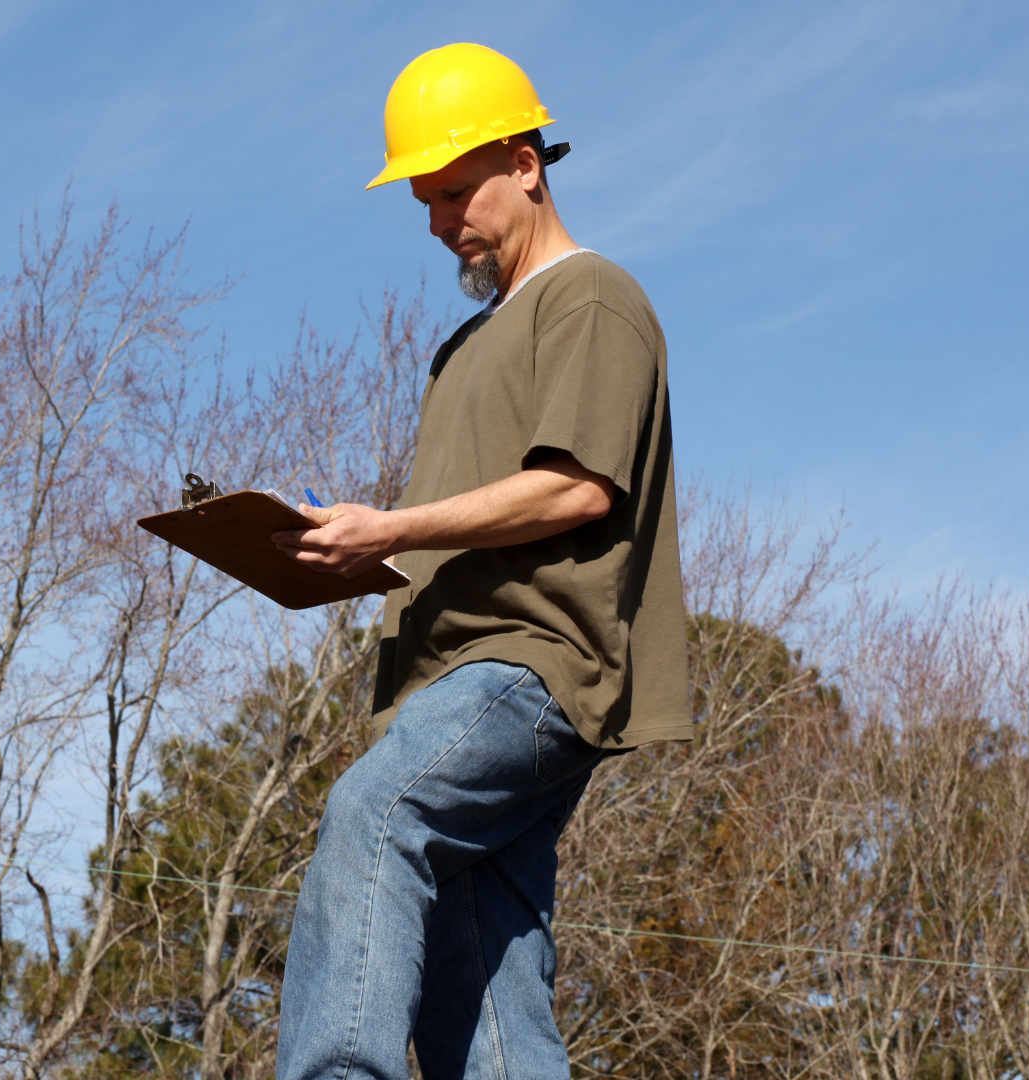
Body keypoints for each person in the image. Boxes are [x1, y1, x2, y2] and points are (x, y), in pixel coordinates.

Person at [270, 43, 691, 1079]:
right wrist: (347, 551)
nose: (438, 221)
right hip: (442, 678)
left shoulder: (591, 297)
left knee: (375, 814)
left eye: (457, 191)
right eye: (423, 201)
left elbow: (577, 487)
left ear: (527, 164)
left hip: (532, 667)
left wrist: (392, 528)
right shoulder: (462, 349)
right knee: (485, 982)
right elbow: (465, 524)